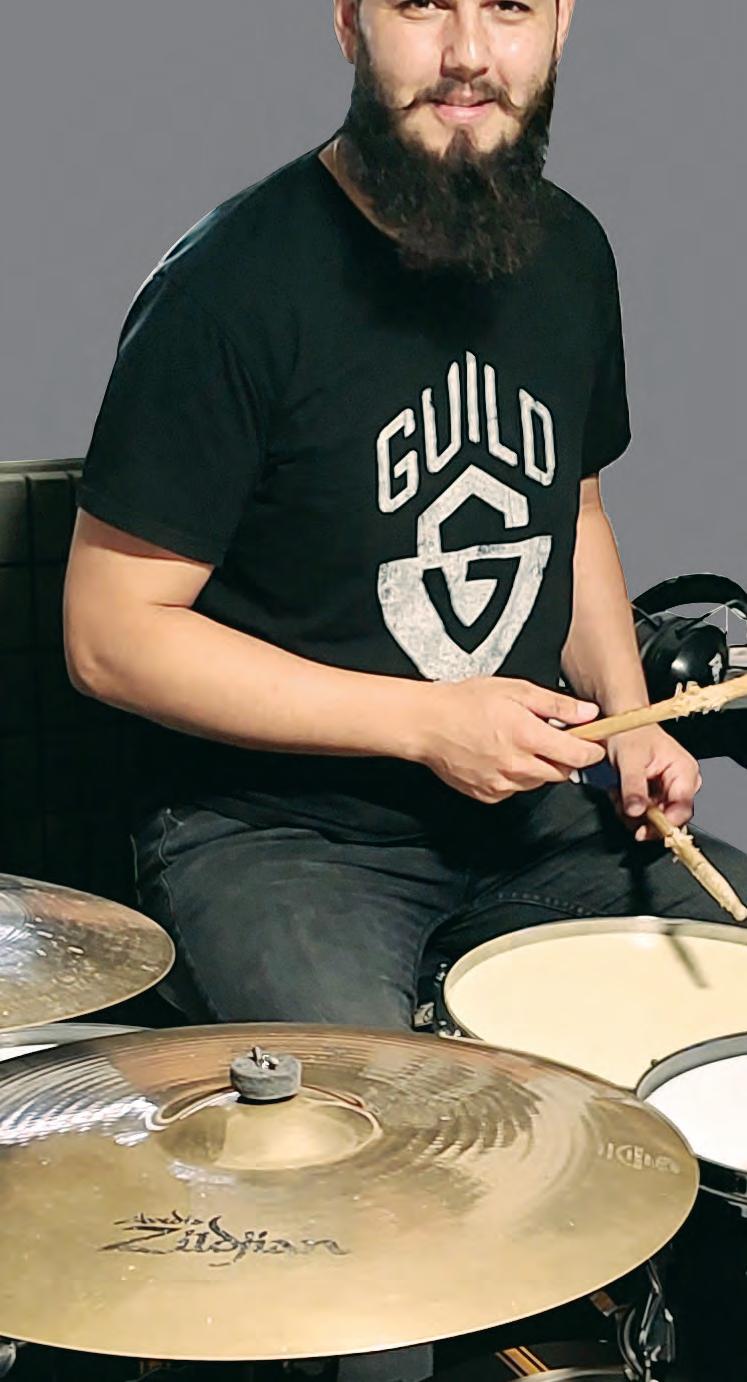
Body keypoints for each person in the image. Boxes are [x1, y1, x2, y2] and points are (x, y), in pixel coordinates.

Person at [63, 2, 746, 1368]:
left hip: (535, 817)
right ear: (349, 21)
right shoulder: (230, 286)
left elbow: (572, 513)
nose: (470, 50)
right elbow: (109, 633)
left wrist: (627, 725)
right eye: (424, 2)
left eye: (511, 5)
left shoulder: (573, 252)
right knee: (378, 1200)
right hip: (275, 837)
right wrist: (424, 720)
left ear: (562, 25)